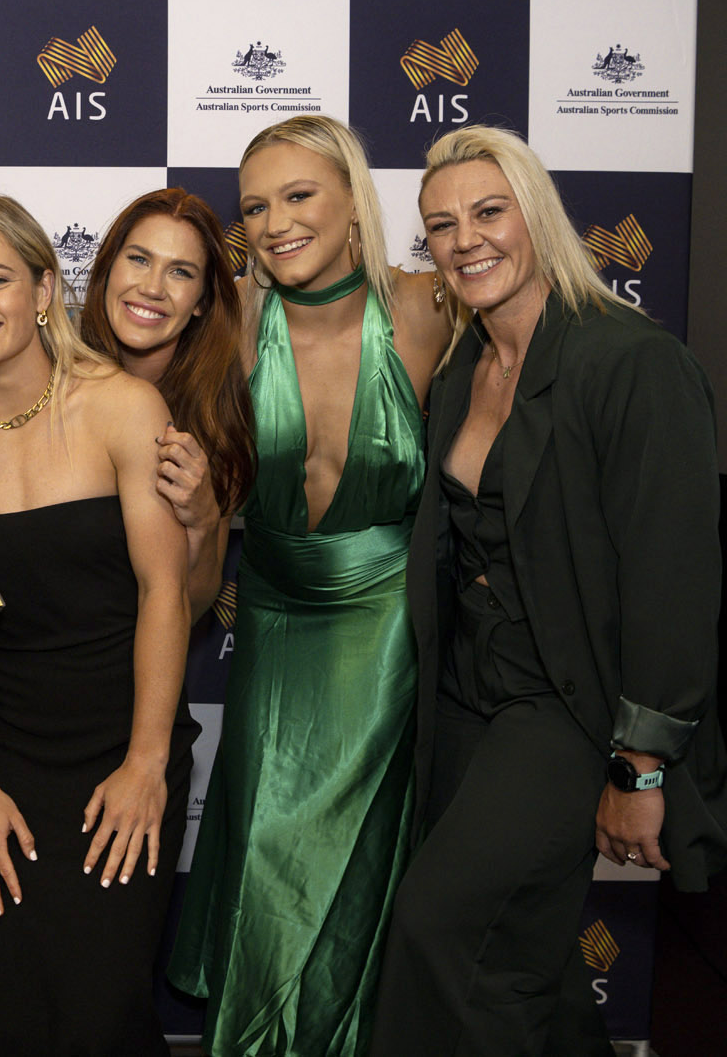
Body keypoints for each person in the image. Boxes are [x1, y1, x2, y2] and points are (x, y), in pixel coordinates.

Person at [371, 125, 727, 1056]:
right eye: (441, 225)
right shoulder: (462, 366)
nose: (467, 240)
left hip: (563, 710)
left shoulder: (632, 363)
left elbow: (674, 580)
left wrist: (639, 764)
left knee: (439, 930)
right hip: (463, 706)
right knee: (519, 960)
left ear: (538, 215)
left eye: (490, 212)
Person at [167, 114, 450, 1056]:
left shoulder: (426, 307)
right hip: (274, 615)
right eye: (256, 205)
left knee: (352, 855)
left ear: (352, 198)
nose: (276, 221)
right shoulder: (235, 322)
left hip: (385, 621)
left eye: (299, 195)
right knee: (261, 842)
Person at [0, 193, 198, 1056]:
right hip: (10, 762)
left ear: (41, 289)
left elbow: (165, 593)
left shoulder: (122, 409)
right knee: (18, 1007)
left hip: (122, 746)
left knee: (101, 1012)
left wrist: (147, 762)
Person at [78, 186, 255, 615]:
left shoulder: (213, 415)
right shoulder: (48, 381)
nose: (153, 287)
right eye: (139, 259)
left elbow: (192, 607)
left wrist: (202, 517)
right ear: (108, 269)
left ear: (201, 302)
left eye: (180, 272)